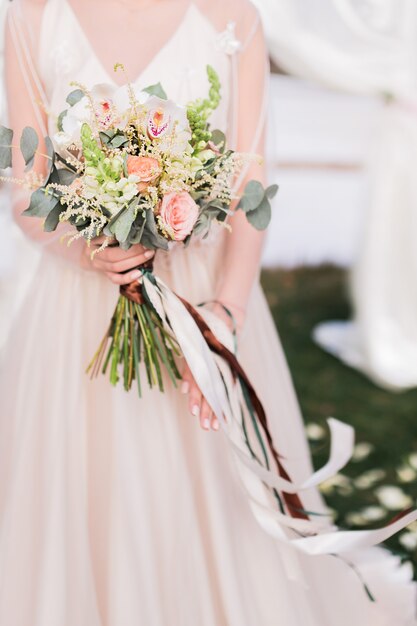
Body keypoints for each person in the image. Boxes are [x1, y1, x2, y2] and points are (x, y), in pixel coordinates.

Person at [0, 1, 415, 624]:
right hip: (74, 307)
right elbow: (28, 193)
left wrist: (225, 314)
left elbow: (250, 191)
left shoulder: (232, 18)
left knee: (199, 502)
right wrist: (88, 251)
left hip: (196, 296)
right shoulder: (32, 17)